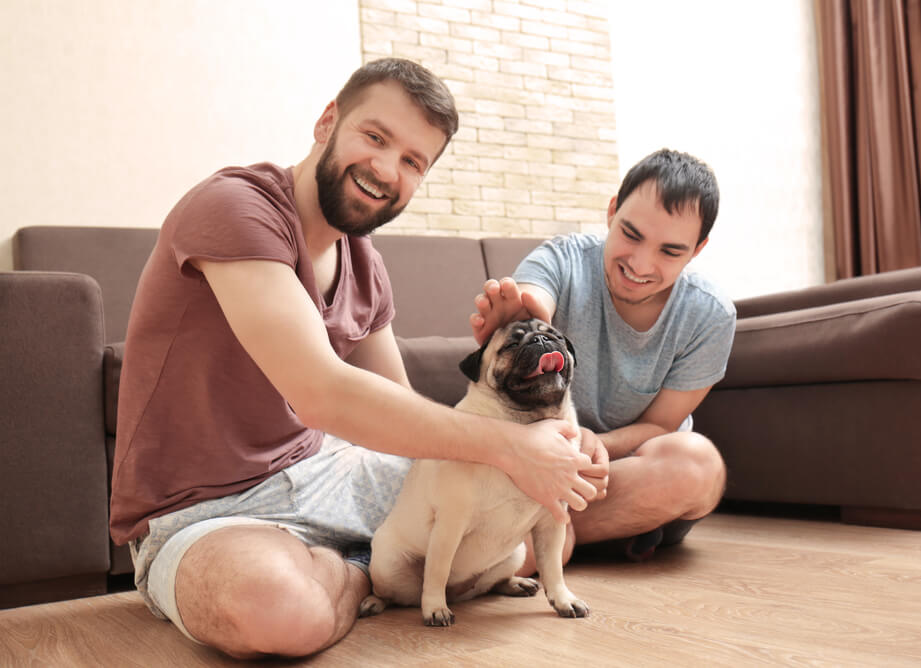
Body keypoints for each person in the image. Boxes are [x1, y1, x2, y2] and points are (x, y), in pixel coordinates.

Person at [109, 58, 605, 660]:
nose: (385, 170)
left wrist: (520, 398)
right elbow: (322, 392)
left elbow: (404, 424)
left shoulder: (363, 261)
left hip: (328, 473)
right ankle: (369, 574)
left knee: (548, 525)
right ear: (327, 123)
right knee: (279, 612)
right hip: (203, 509)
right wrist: (508, 448)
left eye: (412, 162)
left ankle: (372, 567)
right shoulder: (235, 208)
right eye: (375, 137)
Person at [470, 148, 735, 570]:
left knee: (699, 465)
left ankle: (548, 532)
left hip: (629, 480)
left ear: (697, 250)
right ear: (612, 212)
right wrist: (522, 316)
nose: (641, 264)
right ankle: (553, 537)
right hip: (538, 469)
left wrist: (596, 445)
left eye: (670, 251)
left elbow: (662, 425)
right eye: (631, 234)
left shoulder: (710, 315)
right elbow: (535, 299)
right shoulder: (563, 258)